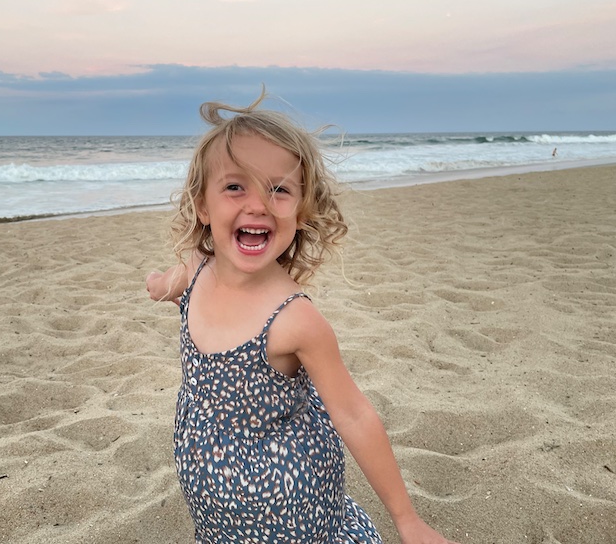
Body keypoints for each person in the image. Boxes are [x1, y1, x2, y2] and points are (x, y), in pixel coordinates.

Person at [146, 91, 459, 543]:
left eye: (279, 189)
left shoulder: (293, 320)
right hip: (215, 510)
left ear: (302, 207)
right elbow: (178, 281)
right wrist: (160, 285)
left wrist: (407, 520)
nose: (257, 204)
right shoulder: (199, 267)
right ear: (202, 204)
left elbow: (353, 415)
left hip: (292, 509)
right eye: (235, 186)